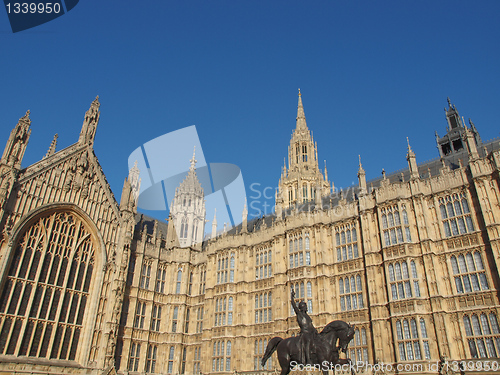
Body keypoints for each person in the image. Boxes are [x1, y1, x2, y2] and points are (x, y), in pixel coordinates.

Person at [291, 288, 318, 364]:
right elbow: (294, 306)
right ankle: (308, 360)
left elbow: (310, 325)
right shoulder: (300, 314)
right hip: (304, 334)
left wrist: (315, 331)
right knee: (308, 342)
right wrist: (291, 297)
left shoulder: (307, 316)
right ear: (302, 307)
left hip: (310, 333)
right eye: (305, 306)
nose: (307, 307)